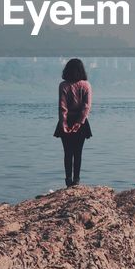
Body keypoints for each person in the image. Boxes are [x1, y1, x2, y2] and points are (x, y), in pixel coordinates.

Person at [54, 58, 92, 187]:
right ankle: (77, 180)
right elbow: (86, 107)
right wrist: (79, 122)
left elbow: (62, 107)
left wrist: (64, 124)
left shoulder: (63, 85)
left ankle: (68, 180)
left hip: (67, 120)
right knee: (78, 152)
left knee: (67, 152)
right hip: (81, 122)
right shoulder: (86, 85)